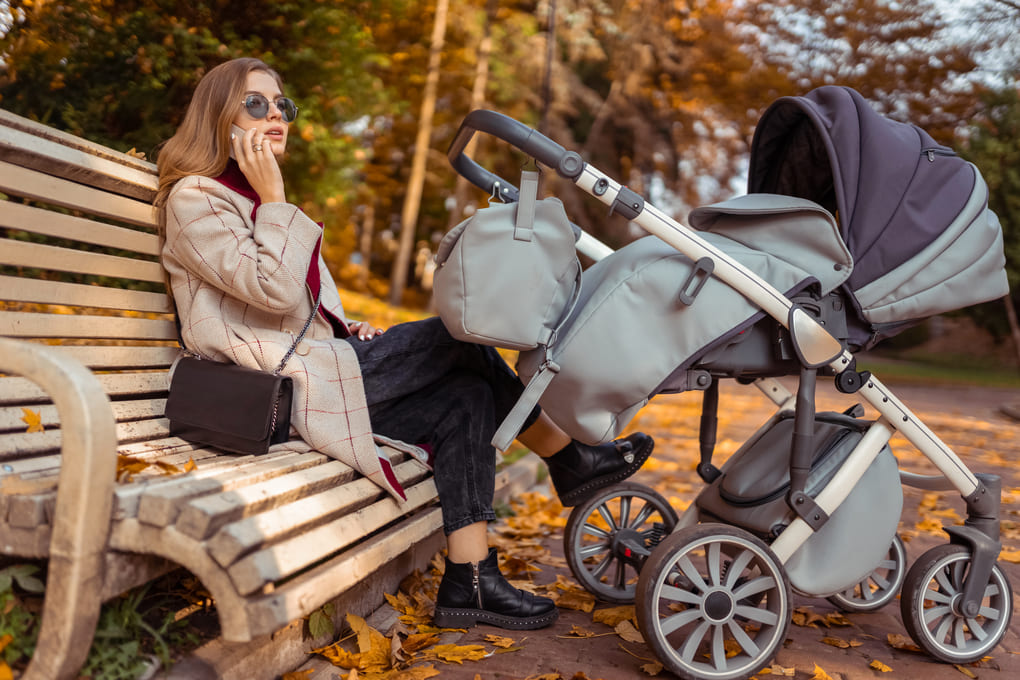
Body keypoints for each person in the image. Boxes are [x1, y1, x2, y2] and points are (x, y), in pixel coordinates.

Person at [155, 58, 653, 631]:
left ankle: (470, 580)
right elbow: (272, 290)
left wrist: (348, 328)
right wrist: (275, 199)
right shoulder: (197, 199)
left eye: (282, 105)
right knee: (460, 339)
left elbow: (291, 302)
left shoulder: (253, 200)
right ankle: (570, 459)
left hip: (315, 370)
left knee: (465, 395)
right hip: (275, 393)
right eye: (256, 103)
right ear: (218, 115)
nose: (275, 117)